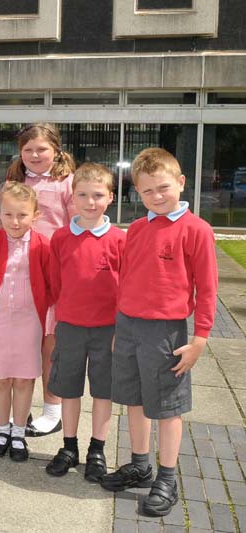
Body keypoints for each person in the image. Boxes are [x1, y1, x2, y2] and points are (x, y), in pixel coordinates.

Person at [100, 148, 218, 517]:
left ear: (181, 183)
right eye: (147, 191)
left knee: (167, 407)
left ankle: (167, 477)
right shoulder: (135, 229)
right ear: (138, 191)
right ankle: (140, 463)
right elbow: (127, 280)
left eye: (164, 187)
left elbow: (208, 288)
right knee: (135, 400)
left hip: (166, 332)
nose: (157, 196)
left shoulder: (196, 230)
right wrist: (121, 325)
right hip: (129, 326)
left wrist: (199, 339)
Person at [44, 163, 126, 482]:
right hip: (71, 327)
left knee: (103, 391)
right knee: (69, 389)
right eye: (82, 195)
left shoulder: (120, 240)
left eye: (97, 195)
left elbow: (128, 287)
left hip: (108, 330)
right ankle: (69, 447)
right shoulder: (61, 239)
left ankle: (97, 449)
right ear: (72, 198)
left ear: (110, 197)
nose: (90, 202)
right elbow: (54, 283)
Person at [6, 122, 76, 437]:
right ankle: (15, 407)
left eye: (42, 149)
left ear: (56, 150)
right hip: (19, 272)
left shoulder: (66, 183)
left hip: (54, 272)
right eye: (28, 149)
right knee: (21, 342)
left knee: (51, 346)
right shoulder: (13, 180)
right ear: (20, 152)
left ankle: (52, 410)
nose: (35, 155)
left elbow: (76, 227)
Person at [0, 182, 51, 462]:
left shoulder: (42, 245)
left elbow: (51, 283)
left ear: (35, 215)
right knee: (0, 377)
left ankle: (18, 432)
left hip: (29, 320)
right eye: (8, 214)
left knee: (23, 378)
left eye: (22, 215)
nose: (15, 221)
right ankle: (2, 429)